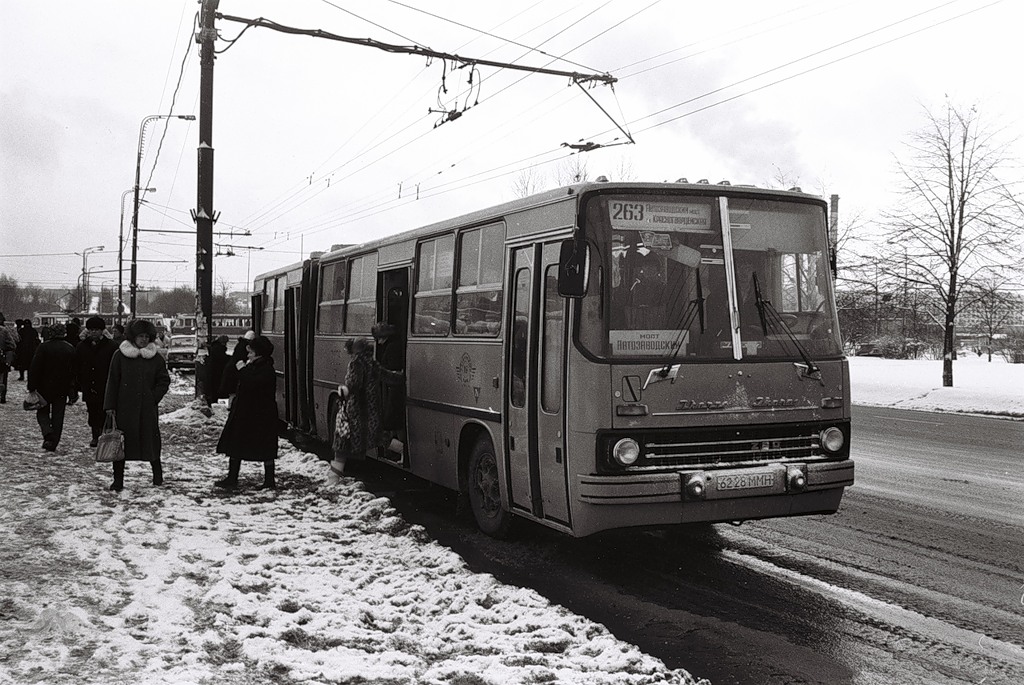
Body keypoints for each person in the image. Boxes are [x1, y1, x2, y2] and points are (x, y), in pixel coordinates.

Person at [103, 318, 171, 492]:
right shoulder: (120, 356)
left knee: (151, 442)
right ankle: (118, 480)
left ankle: (157, 476)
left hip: (147, 409)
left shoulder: (155, 358)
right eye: (140, 336)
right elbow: (113, 381)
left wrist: (153, 397)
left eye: (147, 336)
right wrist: (110, 406)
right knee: (121, 444)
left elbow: (163, 380)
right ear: (133, 337)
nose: (144, 339)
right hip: (124, 408)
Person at [214, 335, 280, 490]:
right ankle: (232, 477)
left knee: (265, 447)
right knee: (237, 443)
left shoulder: (265, 369)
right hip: (247, 412)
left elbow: (252, 383)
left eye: (251, 350)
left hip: (259, 414)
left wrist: (241, 369)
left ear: (258, 352)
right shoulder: (256, 365)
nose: (248, 353)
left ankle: (269, 481)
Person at [331, 337, 383, 475]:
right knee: (374, 436)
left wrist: (344, 389)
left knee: (343, 443)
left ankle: (334, 478)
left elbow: (353, 384)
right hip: (371, 406)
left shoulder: (355, 363)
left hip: (357, 407)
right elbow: (385, 376)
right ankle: (403, 450)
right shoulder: (372, 363)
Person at [26, 323, 77, 450]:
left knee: (42, 412)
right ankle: (54, 441)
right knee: (58, 416)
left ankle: (47, 431)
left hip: (44, 387)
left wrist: (31, 386)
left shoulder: (43, 347)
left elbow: (35, 367)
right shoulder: (70, 348)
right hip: (62, 387)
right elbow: (74, 371)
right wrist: (72, 390)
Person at [75, 316, 117, 448]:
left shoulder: (111, 346)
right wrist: (79, 382)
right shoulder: (82, 346)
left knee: (106, 411)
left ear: (102, 331)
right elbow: (77, 365)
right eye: (91, 329)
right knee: (92, 411)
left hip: (106, 384)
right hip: (89, 384)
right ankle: (95, 435)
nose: (94, 332)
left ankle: (104, 435)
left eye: (97, 330)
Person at [219, 331, 254, 403]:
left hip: (231, 370)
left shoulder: (240, 344)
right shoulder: (245, 346)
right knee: (234, 391)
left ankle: (231, 406)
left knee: (231, 392)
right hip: (235, 370)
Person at [0, 313, 19, 403]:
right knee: (3, 378)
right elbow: (12, 345)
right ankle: (2, 396)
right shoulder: (4, 331)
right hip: (1, 358)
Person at [205, 335, 229, 404]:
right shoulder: (219, 349)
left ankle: (213, 401)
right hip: (217, 371)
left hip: (213, 371)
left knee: (214, 388)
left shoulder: (215, 347)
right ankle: (214, 401)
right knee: (216, 387)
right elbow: (222, 359)